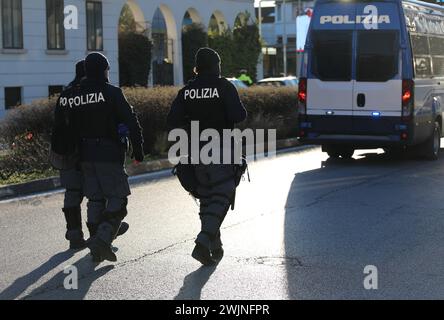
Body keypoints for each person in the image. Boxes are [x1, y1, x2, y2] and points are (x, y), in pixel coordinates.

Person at [167, 48, 247, 266]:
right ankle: (202, 243)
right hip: (220, 147)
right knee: (222, 193)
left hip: (194, 149)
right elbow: (238, 115)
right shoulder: (224, 86)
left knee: (206, 195)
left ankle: (215, 245)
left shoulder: (186, 91)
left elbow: (172, 121)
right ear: (215, 65)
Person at [65, 52, 144, 262]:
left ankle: (95, 243)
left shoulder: (75, 95)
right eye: (107, 69)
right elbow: (131, 121)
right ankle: (102, 240)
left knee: (95, 199)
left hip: (85, 156)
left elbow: (70, 127)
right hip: (108, 154)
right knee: (118, 199)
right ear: (103, 70)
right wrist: (138, 150)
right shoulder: (112, 92)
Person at [52, 60, 130, 251]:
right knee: (98, 196)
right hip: (86, 152)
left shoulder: (67, 94)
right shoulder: (92, 93)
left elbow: (57, 124)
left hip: (66, 152)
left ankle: (74, 235)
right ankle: (99, 235)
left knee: (73, 193)